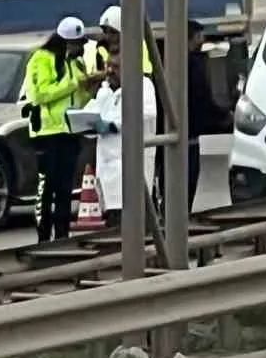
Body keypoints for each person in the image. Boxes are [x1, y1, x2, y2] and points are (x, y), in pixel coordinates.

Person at [22, 16, 96, 243]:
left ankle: (63, 236)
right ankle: (43, 237)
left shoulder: (75, 63)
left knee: (64, 188)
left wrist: (89, 89)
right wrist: (75, 84)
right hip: (46, 133)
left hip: (69, 132)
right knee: (47, 188)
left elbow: (78, 100)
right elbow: (41, 94)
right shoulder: (41, 59)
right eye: (75, 44)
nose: (78, 48)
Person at [155, 19, 233, 215]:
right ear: (195, 37)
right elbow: (202, 101)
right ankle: (178, 234)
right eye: (200, 36)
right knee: (184, 193)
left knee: (168, 193)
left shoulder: (164, 62)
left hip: (164, 138)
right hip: (188, 138)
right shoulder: (193, 65)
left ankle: (168, 227)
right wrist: (225, 119)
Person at [84, 46, 157, 222]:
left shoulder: (143, 85)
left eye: (115, 67)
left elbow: (147, 112)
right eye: (108, 66)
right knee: (113, 220)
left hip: (131, 165)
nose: (109, 71)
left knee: (132, 220)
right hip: (108, 168)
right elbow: (93, 114)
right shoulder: (106, 90)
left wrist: (113, 125)